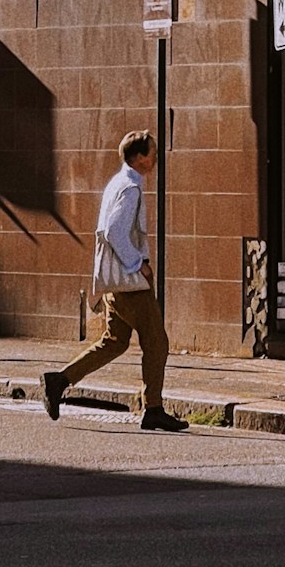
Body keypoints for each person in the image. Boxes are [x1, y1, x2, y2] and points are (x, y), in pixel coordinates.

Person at [42, 130, 189, 432]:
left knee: (114, 342)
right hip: (130, 283)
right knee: (157, 343)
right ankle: (153, 408)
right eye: (152, 153)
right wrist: (139, 265)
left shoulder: (118, 182)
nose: (155, 158)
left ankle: (59, 380)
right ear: (138, 157)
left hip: (114, 284)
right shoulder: (130, 188)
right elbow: (113, 231)